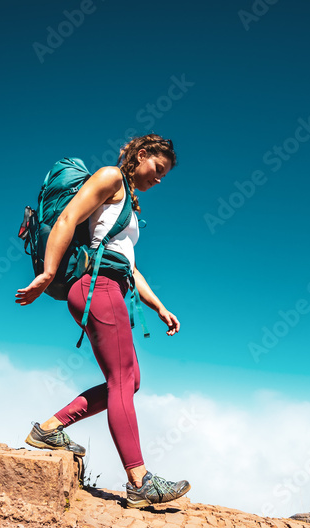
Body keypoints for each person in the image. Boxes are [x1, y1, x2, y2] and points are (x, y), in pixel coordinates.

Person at [14, 134, 191, 509]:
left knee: (129, 381)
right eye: (157, 169)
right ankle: (140, 481)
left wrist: (159, 306)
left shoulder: (127, 202)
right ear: (141, 155)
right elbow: (67, 218)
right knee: (123, 381)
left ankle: (48, 429)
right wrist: (47, 273)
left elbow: (129, 263)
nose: (158, 179)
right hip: (98, 288)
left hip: (111, 287)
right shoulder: (111, 177)